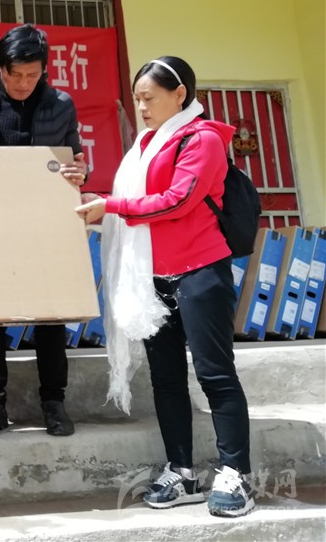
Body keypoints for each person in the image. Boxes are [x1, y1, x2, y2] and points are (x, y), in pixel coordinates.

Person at [75, 56, 254, 517]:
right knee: (167, 378)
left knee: (215, 374)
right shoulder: (145, 145)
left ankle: (237, 474)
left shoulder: (203, 139)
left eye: (149, 98)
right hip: (153, 276)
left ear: (179, 95)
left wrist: (111, 206)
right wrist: (95, 197)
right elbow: (132, 199)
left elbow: (177, 201)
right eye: (137, 99)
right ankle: (182, 471)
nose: (142, 108)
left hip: (200, 272)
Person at [0, 23, 88, 439]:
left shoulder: (61, 105)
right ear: (0, 67)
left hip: (43, 226)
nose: (24, 83)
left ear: (44, 71)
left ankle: (53, 403)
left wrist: (80, 172)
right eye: (15, 74)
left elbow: (75, 159)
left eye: (32, 74)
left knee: (50, 317)